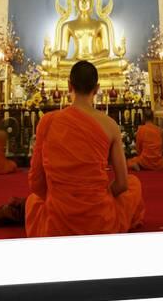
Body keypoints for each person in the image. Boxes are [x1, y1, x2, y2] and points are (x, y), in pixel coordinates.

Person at [25, 60, 145, 238]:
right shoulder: (110, 125)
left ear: (68, 85)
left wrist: (60, 197)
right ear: (97, 89)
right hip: (100, 221)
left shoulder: (47, 121)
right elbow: (122, 183)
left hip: (58, 221)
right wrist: (97, 197)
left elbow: (36, 182)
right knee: (134, 184)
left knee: (33, 201)